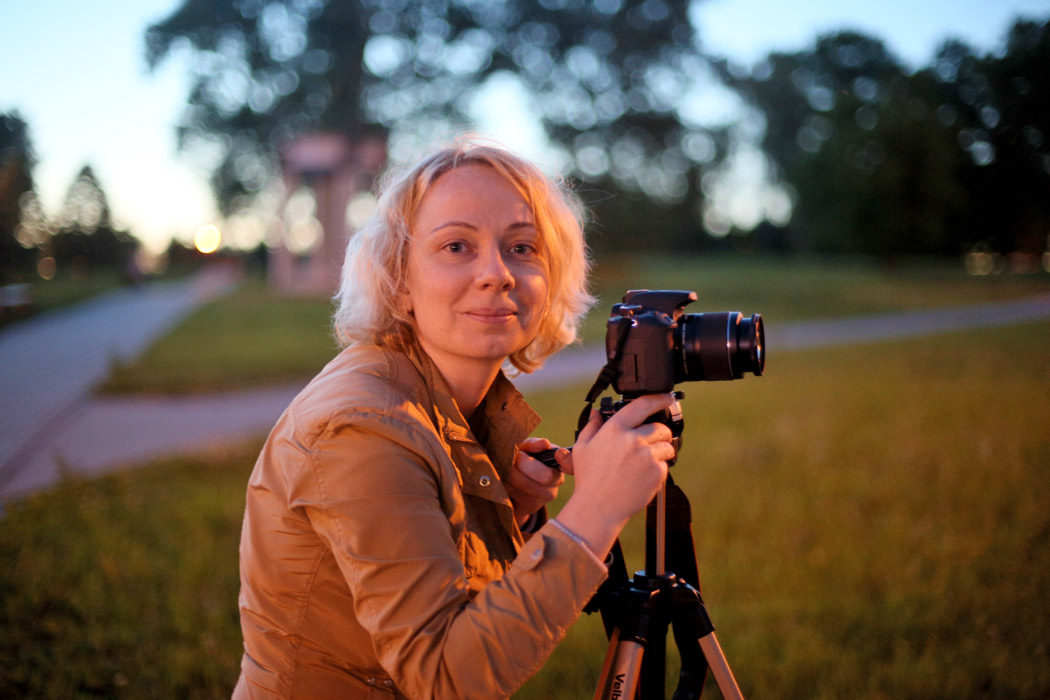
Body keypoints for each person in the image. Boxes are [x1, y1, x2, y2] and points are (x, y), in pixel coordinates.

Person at [233, 139, 676, 699]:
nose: (496, 274)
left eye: (522, 247)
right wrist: (595, 512)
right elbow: (444, 678)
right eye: (457, 246)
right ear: (399, 283)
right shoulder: (363, 430)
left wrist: (510, 511)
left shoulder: (443, 400)